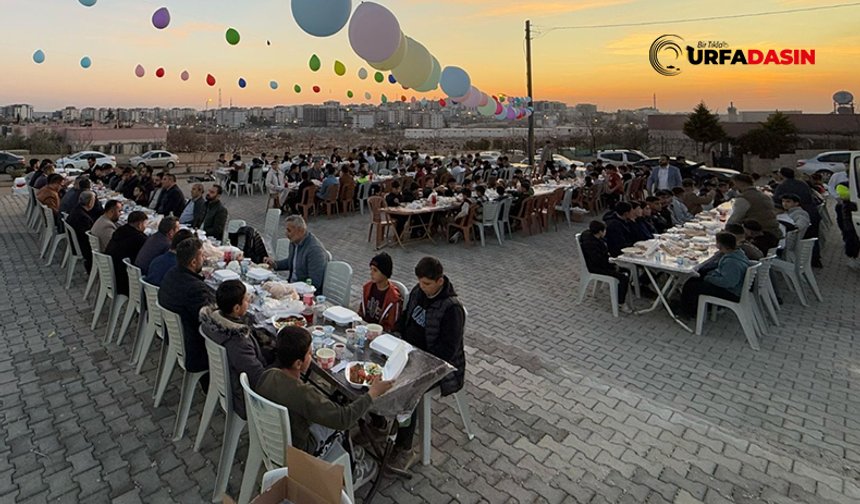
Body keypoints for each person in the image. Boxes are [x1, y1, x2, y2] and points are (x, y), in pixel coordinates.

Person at [256, 326, 393, 458]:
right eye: (309, 354)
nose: (312, 356)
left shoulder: (268, 374)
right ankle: (352, 466)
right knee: (338, 426)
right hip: (300, 450)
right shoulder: (304, 394)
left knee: (327, 406)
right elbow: (344, 419)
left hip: (271, 438)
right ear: (298, 363)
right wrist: (372, 393)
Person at [392, 257, 465, 467]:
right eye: (421, 283)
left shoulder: (452, 309)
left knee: (408, 388)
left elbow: (446, 352)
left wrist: (417, 359)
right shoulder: (418, 291)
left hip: (439, 366)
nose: (423, 288)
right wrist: (396, 333)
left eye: (427, 284)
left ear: (440, 281)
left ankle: (404, 447)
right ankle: (381, 422)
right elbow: (406, 316)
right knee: (380, 369)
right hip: (410, 352)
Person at [200, 280, 277, 420]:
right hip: (244, 399)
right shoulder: (238, 342)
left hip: (230, 378)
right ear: (236, 308)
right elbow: (260, 378)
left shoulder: (213, 323)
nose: (248, 302)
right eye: (246, 300)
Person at [158, 238, 215, 374]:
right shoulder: (194, 289)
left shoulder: (171, 273)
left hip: (176, 337)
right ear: (193, 262)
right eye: (202, 255)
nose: (204, 258)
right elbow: (211, 322)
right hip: (195, 348)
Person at [680, 232, 751, 317]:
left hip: (731, 292)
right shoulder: (737, 254)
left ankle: (689, 312)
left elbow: (728, 282)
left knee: (691, 286)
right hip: (734, 287)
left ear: (720, 245)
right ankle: (692, 305)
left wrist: (709, 278)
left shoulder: (731, 262)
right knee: (698, 275)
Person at [265, 215, 330, 289]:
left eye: (289, 231)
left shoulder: (314, 251)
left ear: (300, 231)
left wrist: (291, 288)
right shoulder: (295, 241)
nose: (286, 234)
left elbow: (314, 283)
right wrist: (275, 264)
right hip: (291, 286)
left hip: (304, 292)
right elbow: (292, 262)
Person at [579, 220, 631, 311]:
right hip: (597, 267)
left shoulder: (592, 238)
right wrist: (612, 265)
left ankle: (621, 294)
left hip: (601, 264)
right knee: (623, 277)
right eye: (604, 230)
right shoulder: (592, 244)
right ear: (600, 232)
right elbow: (598, 260)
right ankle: (620, 302)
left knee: (626, 270)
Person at [105, 211, 148, 296]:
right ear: (140, 225)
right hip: (124, 280)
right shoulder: (139, 239)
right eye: (145, 224)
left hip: (111, 273)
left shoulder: (119, 231)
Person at [726, 174, 782, 238]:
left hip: (759, 235)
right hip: (775, 232)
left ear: (739, 183)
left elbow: (734, 219)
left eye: (734, 183)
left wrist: (725, 231)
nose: (733, 186)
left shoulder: (744, 198)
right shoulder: (765, 196)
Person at [358, 253, 402, 332]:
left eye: (375, 270)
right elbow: (361, 312)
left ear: (385, 273)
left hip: (379, 333)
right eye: (370, 269)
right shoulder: (367, 288)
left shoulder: (393, 298)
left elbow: (391, 327)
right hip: (364, 329)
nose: (371, 273)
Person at [65, 190, 96, 272]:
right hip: (82, 246)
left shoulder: (76, 210)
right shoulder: (83, 218)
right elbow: (88, 237)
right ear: (90, 203)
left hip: (76, 241)